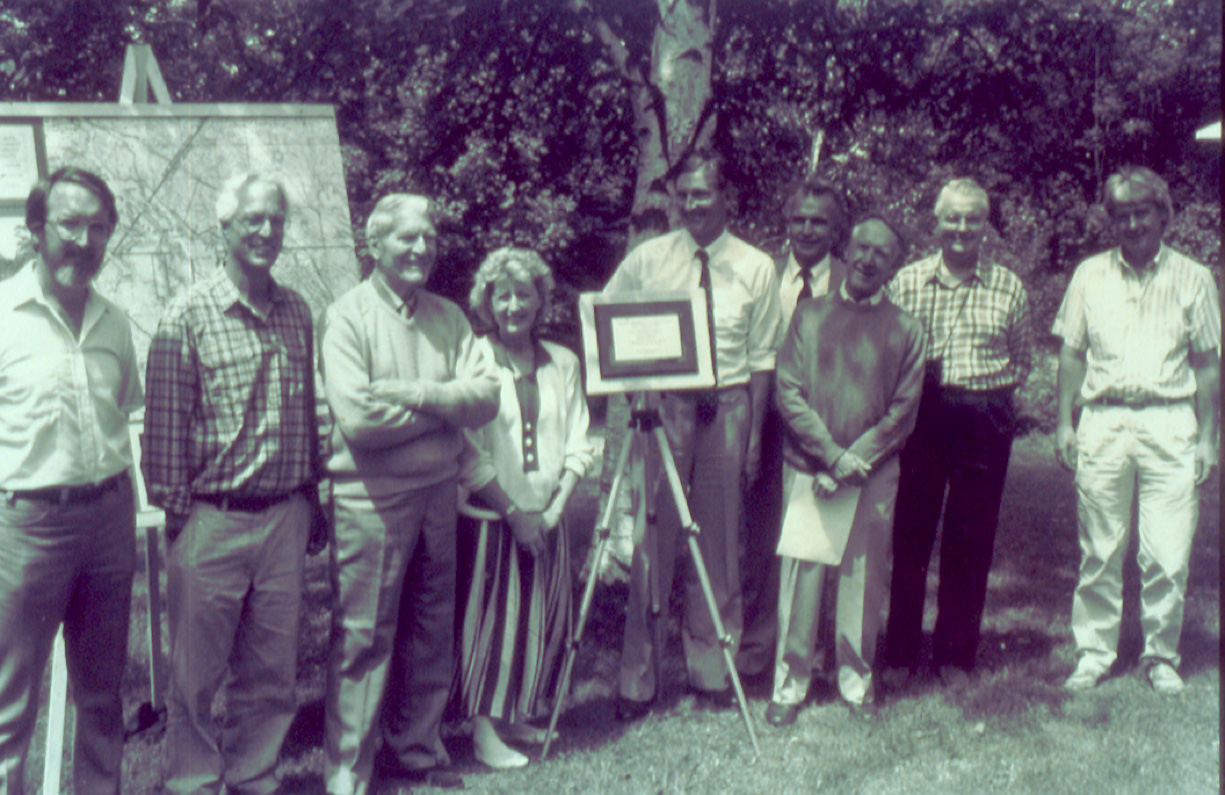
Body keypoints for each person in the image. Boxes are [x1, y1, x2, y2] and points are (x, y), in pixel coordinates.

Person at [143, 173, 322, 795]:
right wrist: (182, 520)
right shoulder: (186, 316)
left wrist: (310, 504)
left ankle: (254, 776)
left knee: (271, 671)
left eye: (276, 220)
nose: (267, 231)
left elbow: (307, 417)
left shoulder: (297, 311)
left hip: (285, 515)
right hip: (210, 519)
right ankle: (193, 781)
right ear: (225, 227)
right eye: (254, 219)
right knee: (194, 676)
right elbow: (163, 433)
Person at [321, 193, 499, 793]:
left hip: (437, 494)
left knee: (429, 626)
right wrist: (449, 405)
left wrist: (418, 395)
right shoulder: (346, 316)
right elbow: (360, 423)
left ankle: (415, 752)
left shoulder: (448, 316)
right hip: (370, 500)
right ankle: (349, 768)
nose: (422, 248)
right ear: (376, 245)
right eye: (407, 238)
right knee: (363, 636)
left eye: (429, 237)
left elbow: (487, 399)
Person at [606, 150, 784, 718]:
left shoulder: (756, 266)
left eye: (703, 194)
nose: (692, 205)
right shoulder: (647, 259)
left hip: (728, 407)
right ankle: (639, 677)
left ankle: (712, 669)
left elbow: (761, 361)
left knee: (719, 545)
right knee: (651, 542)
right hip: (664, 410)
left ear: (726, 197)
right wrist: (636, 390)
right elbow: (606, 325)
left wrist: (753, 436)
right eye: (683, 195)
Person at [0, 168, 140, 794]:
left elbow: (122, 411)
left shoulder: (115, 322)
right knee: (10, 698)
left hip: (110, 517)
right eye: (69, 224)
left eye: (98, 228)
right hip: (28, 526)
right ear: (35, 229)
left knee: (103, 697)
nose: (84, 241)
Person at [1052, 167, 1219, 694]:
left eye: (1141, 212)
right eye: (1121, 215)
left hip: (1171, 422)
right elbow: (1072, 354)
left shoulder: (1194, 277)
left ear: (1162, 215)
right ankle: (1094, 654)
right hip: (1103, 421)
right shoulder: (1088, 275)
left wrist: (1209, 438)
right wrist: (1063, 422)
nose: (1131, 224)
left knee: (1167, 553)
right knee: (1100, 549)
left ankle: (1160, 656)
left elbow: (1209, 364)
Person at [766, 215, 924, 725]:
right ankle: (790, 685)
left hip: (872, 473)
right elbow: (787, 391)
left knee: (862, 580)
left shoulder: (906, 328)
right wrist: (830, 456)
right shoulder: (809, 316)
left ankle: (855, 684)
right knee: (803, 578)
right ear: (846, 249)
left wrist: (855, 459)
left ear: (894, 265)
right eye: (860, 246)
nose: (867, 258)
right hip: (812, 467)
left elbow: (903, 411)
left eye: (881, 252)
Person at [882, 178, 1033, 686]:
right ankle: (900, 653)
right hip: (922, 415)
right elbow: (888, 354)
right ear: (937, 221)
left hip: (984, 418)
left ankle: (954, 656)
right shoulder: (906, 282)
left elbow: (1022, 360)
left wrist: (985, 398)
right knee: (910, 535)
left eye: (973, 218)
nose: (962, 228)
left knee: (971, 539)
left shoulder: (1008, 286)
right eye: (953, 217)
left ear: (985, 225)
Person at [455, 247, 595, 768]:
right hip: (490, 518)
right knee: (490, 623)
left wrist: (556, 509)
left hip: (548, 515)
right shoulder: (472, 358)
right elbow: (467, 448)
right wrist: (514, 513)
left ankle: (514, 714)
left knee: (536, 619)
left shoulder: (565, 362)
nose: (514, 305)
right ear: (488, 303)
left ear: (541, 301)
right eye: (502, 295)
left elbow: (581, 440)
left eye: (524, 294)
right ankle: (483, 730)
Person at [738, 175, 850, 679]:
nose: (807, 230)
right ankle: (758, 648)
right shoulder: (763, 276)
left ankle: (813, 651)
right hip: (766, 424)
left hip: (823, 432)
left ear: (836, 229)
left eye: (818, 221)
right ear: (786, 224)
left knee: (817, 543)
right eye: (799, 220)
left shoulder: (853, 281)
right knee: (762, 541)